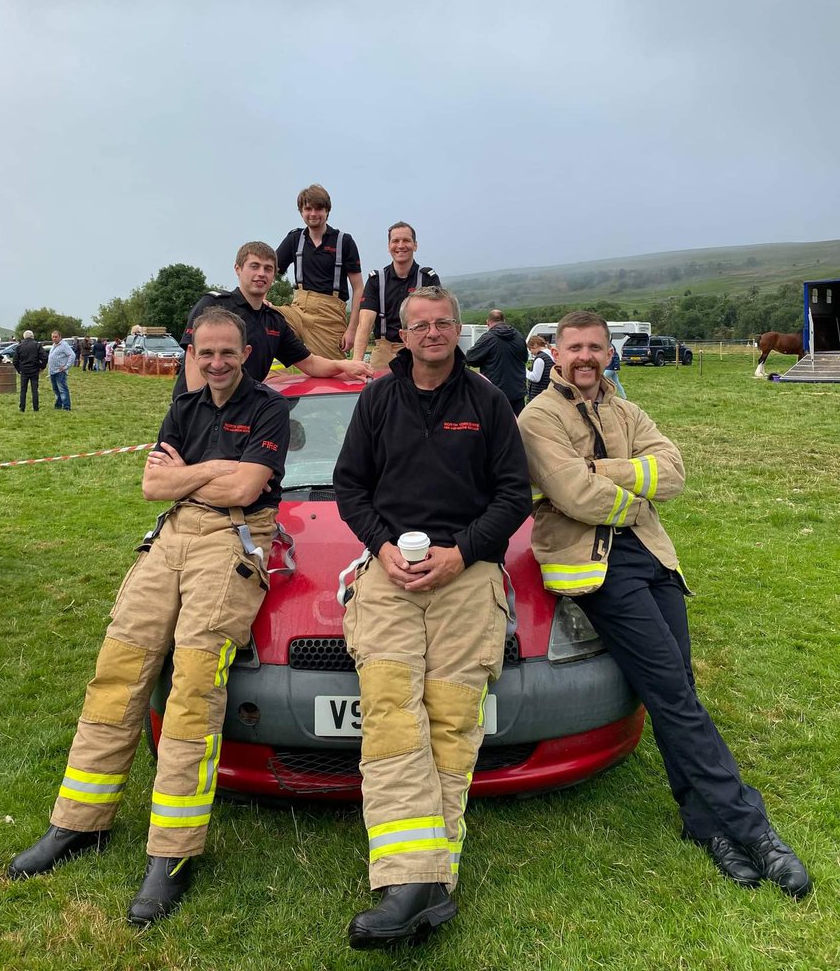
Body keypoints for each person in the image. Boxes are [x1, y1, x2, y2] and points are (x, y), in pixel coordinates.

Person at [9, 309, 291, 925]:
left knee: (192, 684)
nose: (216, 363)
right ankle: (79, 822)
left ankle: (173, 853)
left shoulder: (270, 407)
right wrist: (211, 473)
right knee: (118, 668)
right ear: (193, 351)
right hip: (171, 537)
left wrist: (190, 477)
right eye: (206, 353)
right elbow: (151, 487)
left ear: (246, 352)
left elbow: (246, 491)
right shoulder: (185, 407)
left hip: (235, 539)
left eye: (228, 353)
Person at [517, 310, 810, 898]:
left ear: (607, 352)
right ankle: (754, 830)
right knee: (673, 694)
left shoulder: (626, 409)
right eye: (574, 347)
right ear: (554, 352)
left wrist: (605, 472)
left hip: (653, 556)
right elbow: (574, 494)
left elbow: (673, 472)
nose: (585, 357)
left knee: (679, 691)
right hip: (595, 565)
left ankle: (706, 826)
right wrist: (628, 491)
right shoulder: (536, 417)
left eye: (595, 347)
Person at [333, 286, 531, 948]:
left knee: (451, 721)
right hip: (389, 574)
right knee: (392, 709)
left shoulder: (489, 402)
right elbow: (349, 487)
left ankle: (419, 884)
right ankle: (416, 884)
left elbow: (513, 495)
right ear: (403, 332)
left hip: (467, 576)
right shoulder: (377, 400)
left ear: (458, 329)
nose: (433, 332)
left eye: (444, 322)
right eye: (421, 324)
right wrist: (383, 549)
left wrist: (464, 553)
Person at [174, 241, 373, 397]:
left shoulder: (274, 322)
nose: (261, 274)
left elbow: (310, 363)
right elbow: (195, 363)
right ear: (238, 269)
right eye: (254, 266)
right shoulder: (214, 306)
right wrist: (198, 415)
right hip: (196, 416)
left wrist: (342, 365)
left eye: (268, 269)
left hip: (240, 415)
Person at [274, 183, 364, 358]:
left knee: (333, 373)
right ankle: (271, 383)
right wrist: (262, 300)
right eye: (308, 209)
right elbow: (269, 269)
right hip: (298, 308)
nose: (313, 214)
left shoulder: (343, 241)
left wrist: (353, 329)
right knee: (264, 322)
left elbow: (359, 288)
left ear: (327, 211)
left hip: (329, 314)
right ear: (301, 211)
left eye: (318, 208)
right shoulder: (294, 239)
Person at [352, 221, 441, 371]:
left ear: (415, 245)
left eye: (406, 240)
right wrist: (355, 363)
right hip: (384, 351)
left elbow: (436, 319)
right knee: (378, 392)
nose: (401, 245)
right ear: (389, 247)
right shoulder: (376, 280)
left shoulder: (428, 279)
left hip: (419, 349)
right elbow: (364, 325)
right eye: (395, 241)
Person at [464, 310, 529, 415]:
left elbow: (470, 358)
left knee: (495, 428)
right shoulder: (518, 336)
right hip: (518, 392)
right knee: (517, 427)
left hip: (495, 393)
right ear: (504, 320)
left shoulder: (489, 337)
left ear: (488, 322)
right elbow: (525, 358)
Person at [12, 329, 45, 412]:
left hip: (24, 371)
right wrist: (41, 366)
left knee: (23, 390)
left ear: (24, 337)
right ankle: (36, 408)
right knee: (34, 390)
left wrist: (19, 369)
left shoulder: (19, 346)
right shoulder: (37, 345)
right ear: (32, 336)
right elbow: (44, 357)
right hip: (34, 370)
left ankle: (22, 408)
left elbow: (15, 360)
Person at [48, 331, 76, 411]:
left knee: (62, 389)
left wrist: (66, 366)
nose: (54, 338)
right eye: (53, 337)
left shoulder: (64, 345)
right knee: (56, 389)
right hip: (52, 371)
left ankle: (66, 406)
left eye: (56, 337)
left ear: (60, 337)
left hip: (60, 371)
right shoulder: (54, 345)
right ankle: (58, 405)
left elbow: (72, 355)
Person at [525, 334, 554, 401]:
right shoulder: (550, 355)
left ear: (535, 345)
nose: (531, 352)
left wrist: (526, 371)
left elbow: (535, 378)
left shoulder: (540, 358)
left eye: (530, 349)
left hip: (538, 394)